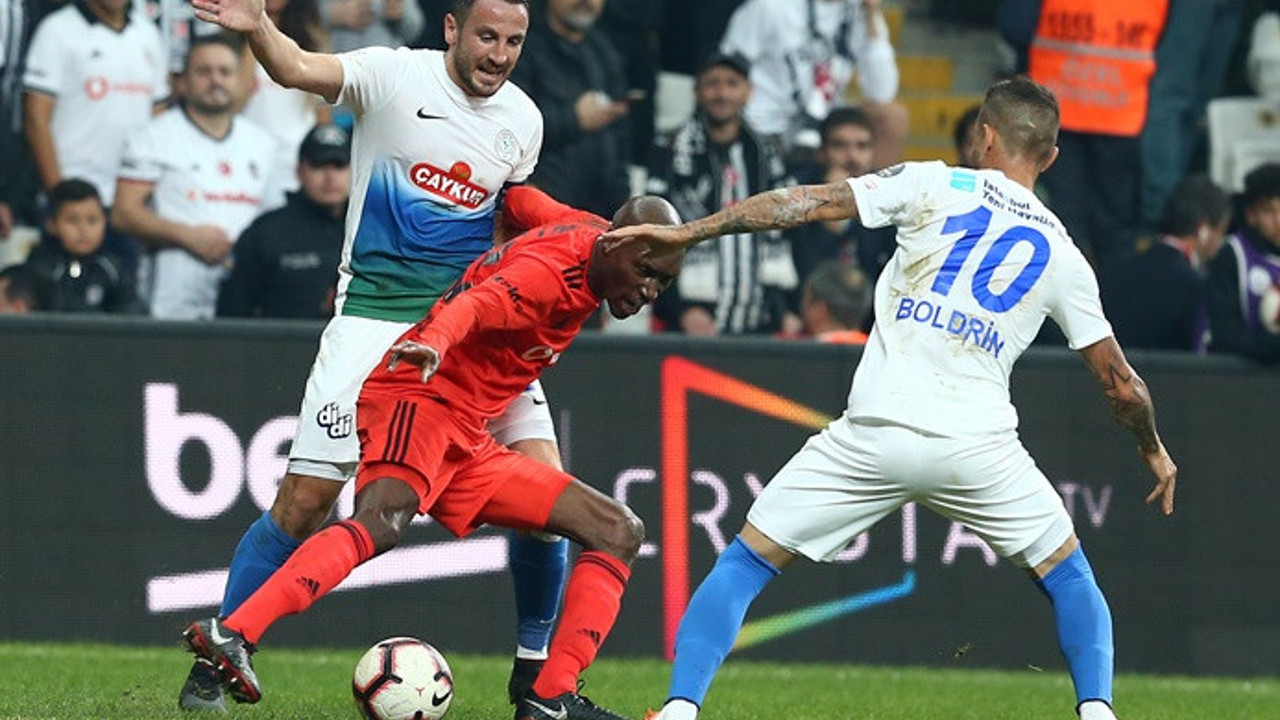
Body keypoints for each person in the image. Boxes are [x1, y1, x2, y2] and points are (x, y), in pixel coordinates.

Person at [605, 76, 1178, 720]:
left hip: (877, 430)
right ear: (1049, 157)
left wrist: (692, 233)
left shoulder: (930, 183)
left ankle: (680, 711)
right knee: (1071, 578)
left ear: (983, 136)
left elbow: (805, 202)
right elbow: (1120, 384)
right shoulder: (1065, 256)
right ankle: (1097, 712)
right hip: (979, 448)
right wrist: (1153, 448)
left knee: (745, 563)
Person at [183, 0, 572, 711]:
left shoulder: (523, 119)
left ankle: (535, 681)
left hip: (472, 333)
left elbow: (509, 216)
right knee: (303, 504)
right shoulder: (392, 76)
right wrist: (260, 28)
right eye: (486, 36)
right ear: (451, 28)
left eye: (514, 41)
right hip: (373, 323)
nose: (498, 55)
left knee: (549, 499)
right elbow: (296, 67)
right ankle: (220, 656)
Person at [182, 192, 686, 720]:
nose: (649, 291)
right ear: (612, 247)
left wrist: (501, 232)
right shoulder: (544, 278)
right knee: (381, 522)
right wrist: (438, 340)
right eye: (645, 271)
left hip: (467, 435)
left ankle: (551, 698)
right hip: (419, 397)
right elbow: (478, 304)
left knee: (617, 530)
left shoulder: (588, 228)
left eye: (663, 281)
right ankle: (234, 632)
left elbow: (519, 199)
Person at [113, 34, 277, 320]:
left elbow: (273, 220)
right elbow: (123, 214)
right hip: (171, 302)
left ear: (242, 81)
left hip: (244, 300)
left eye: (225, 72)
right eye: (204, 72)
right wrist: (187, 237)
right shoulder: (153, 137)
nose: (216, 80)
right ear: (183, 82)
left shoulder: (262, 144)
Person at [645, 51, 798, 336]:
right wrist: (681, 309)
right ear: (697, 92)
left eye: (732, 83)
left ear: (749, 92)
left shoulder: (768, 154)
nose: (722, 93)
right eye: (712, 83)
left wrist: (789, 308)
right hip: (690, 325)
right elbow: (652, 237)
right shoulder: (669, 150)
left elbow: (791, 230)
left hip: (762, 320)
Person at [22, 0, 169, 268]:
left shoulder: (148, 33)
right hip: (73, 205)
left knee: (123, 289)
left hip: (129, 205)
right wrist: (60, 199)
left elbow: (159, 118)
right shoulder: (57, 30)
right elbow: (35, 119)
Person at [1029, 0, 1168, 270]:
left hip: (1059, 109)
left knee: (1063, 224)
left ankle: (1065, 291)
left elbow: (1018, 24)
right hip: (1121, 114)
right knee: (1115, 231)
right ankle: (1114, 293)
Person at [720, 0, 907, 169]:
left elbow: (882, 92)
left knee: (891, 117)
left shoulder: (859, 13)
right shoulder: (769, 6)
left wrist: (871, 15)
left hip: (825, 124)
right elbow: (727, 68)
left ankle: (872, 194)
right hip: (767, 124)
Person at [511, 0, 631, 218]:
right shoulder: (520, 47)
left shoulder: (606, 52)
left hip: (598, 216)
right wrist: (574, 118)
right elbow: (508, 129)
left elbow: (620, 141)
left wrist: (625, 212)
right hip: (536, 211)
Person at [217, 124, 351, 319]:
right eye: (319, 165)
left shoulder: (374, 232)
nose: (330, 177)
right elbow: (232, 313)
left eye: (339, 166)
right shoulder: (265, 233)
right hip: (281, 338)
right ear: (299, 171)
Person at [1100, 175, 1232, 353]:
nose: (1220, 243)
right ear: (1204, 230)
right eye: (1221, 232)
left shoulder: (1113, 270)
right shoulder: (1196, 286)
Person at [787, 106, 895, 286]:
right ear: (822, 153)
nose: (852, 156)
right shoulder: (800, 194)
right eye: (840, 146)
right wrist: (832, 207)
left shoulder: (887, 198)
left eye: (862, 146)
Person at [23, 178, 140, 314]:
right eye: (73, 221)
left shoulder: (113, 269)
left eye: (92, 220)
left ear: (105, 222)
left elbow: (133, 313)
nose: (83, 230)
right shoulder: (40, 267)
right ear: (51, 225)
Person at [1207, 162, 1280, 363]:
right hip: (1244, 377)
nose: (1278, 221)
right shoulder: (1232, 256)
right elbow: (1225, 335)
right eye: (1268, 211)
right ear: (1251, 215)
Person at [799, 259, 870, 343]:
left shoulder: (799, 350)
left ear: (820, 308)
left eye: (805, 301)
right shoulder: (877, 348)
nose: (802, 306)